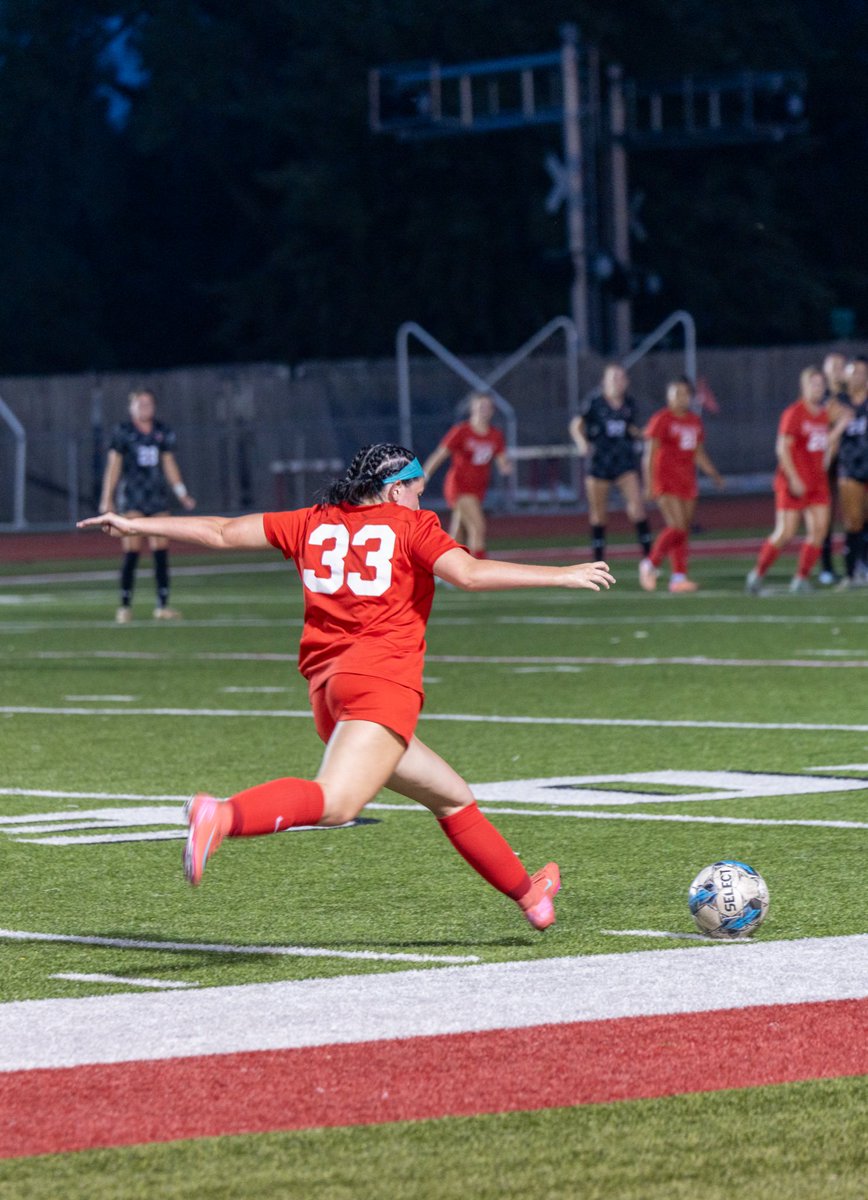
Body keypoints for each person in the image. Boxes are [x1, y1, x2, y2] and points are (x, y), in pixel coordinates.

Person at [78, 443, 615, 930]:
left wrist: (137, 524)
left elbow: (221, 531)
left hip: (330, 693)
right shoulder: (412, 526)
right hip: (380, 686)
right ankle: (222, 815)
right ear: (395, 486)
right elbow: (469, 574)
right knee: (338, 803)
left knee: (452, 797)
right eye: (417, 488)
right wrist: (560, 573)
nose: (422, 498)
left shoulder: (313, 521)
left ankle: (531, 897)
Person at [98, 388, 196, 623]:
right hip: (132, 497)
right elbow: (114, 466)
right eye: (140, 404)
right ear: (131, 407)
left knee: (161, 550)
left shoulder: (162, 431)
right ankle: (124, 606)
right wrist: (107, 498)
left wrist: (181, 493)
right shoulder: (123, 432)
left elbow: (169, 464)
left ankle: (162, 605)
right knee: (131, 549)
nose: (145, 407)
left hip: (157, 498)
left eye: (149, 403)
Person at [746, 366, 843, 595]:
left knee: (819, 530)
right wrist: (794, 478)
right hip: (794, 481)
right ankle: (757, 573)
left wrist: (839, 426)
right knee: (786, 532)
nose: (818, 389)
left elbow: (825, 443)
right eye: (814, 384)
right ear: (804, 386)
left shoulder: (823, 414)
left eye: (821, 385)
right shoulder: (794, 413)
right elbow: (782, 448)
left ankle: (801, 578)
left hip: (817, 482)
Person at [639, 376, 724, 593]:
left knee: (682, 530)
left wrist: (713, 474)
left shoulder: (694, 421)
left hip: (687, 481)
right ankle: (649, 564)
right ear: (668, 396)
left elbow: (698, 452)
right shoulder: (661, 419)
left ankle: (678, 578)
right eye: (675, 393)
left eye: (684, 393)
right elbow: (649, 454)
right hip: (665, 481)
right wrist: (649, 484)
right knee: (676, 526)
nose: (680, 398)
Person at [568, 363, 652, 564]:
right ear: (604, 382)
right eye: (613, 377)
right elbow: (576, 425)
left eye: (621, 378)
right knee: (598, 515)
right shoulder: (594, 402)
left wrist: (644, 436)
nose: (617, 381)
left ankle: (649, 560)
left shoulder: (629, 404)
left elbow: (630, 427)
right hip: (599, 463)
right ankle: (598, 562)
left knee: (637, 508)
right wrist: (582, 443)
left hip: (624, 461)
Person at [422, 391, 511, 558]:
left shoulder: (495, 435)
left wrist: (505, 466)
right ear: (472, 408)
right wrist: (424, 476)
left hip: (478, 489)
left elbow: (501, 459)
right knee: (477, 526)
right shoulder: (462, 431)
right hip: (459, 486)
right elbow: (440, 454)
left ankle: (445, 569)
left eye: (488, 406)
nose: (484, 410)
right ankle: (479, 569)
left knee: (458, 531)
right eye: (480, 406)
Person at [828, 355, 868, 589]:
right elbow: (829, 437)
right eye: (855, 372)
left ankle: (864, 567)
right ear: (847, 375)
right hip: (849, 466)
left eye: (863, 372)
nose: (859, 376)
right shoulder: (837, 402)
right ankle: (851, 572)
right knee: (853, 522)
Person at [818, 351, 849, 584]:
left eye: (842, 365)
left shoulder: (852, 395)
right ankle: (826, 567)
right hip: (825, 463)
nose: (839, 370)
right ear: (826, 370)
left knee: (855, 514)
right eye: (834, 366)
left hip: (851, 461)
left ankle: (857, 563)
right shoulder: (820, 397)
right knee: (824, 517)